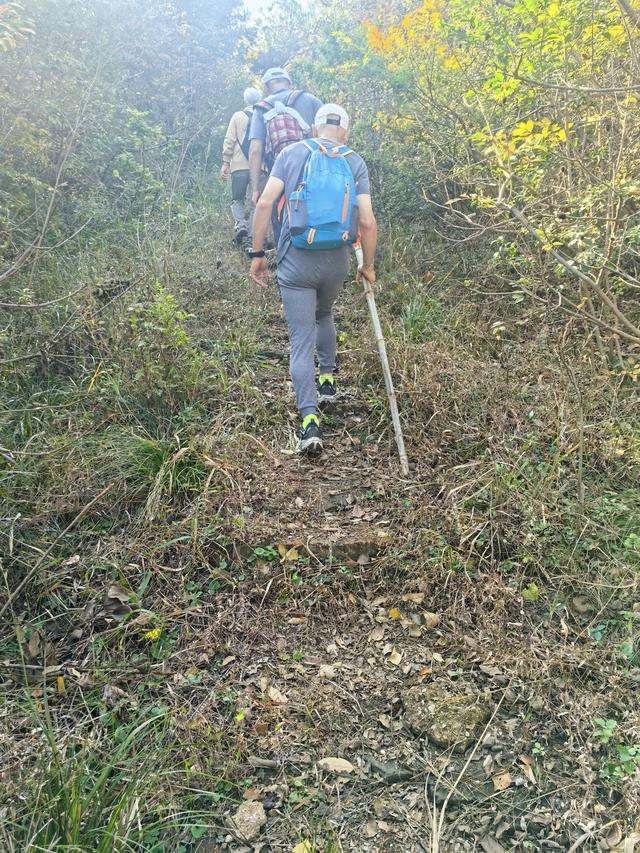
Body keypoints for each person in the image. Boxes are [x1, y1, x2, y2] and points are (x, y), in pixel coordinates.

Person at [249, 104, 377, 455]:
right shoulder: (355, 161)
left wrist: (258, 254)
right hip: (336, 260)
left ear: (314, 127)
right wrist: (369, 266)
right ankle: (328, 382)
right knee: (325, 314)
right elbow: (366, 221)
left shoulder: (291, 153)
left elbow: (263, 205)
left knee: (300, 340)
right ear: (345, 132)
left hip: (296, 261)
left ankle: (309, 421)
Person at [248, 68, 323, 243]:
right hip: (313, 174)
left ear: (266, 87)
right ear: (289, 83)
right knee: (316, 219)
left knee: (281, 222)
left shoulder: (260, 108)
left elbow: (255, 150)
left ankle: (285, 262)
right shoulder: (311, 101)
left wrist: (255, 189)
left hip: (279, 178)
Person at [220, 86, 262, 245]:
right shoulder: (263, 115)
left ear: (245, 100)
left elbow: (229, 140)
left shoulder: (238, 116)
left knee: (237, 199)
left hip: (238, 166)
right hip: (258, 168)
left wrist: (225, 162)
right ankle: (252, 235)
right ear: (259, 99)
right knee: (255, 200)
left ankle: (240, 225)